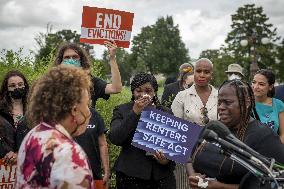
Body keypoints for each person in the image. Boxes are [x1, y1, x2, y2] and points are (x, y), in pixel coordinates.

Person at [188, 79, 284, 189]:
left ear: (247, 102)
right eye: (219, 102)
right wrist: (192, 174)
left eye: (228, 102)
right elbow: (189, 157)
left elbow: (277, 181)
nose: (221, 107)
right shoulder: (214, 128)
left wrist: (221, 187)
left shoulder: (265, 137)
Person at [16, 65, 94, 188]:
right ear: (74, 110)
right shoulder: (68, 152)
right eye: (86, 103)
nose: (88, 110)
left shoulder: (33, 135)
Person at [108, 73, 176, 189]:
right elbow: (115, 138)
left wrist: (166, 161)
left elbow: (174, 146)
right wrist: (135, 112)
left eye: (148, 90)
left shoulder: (166, 113)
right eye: (138, 91)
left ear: (154, 92)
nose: (143, 94)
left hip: (161, 177)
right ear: (133, 92)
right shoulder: (122, 110)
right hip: (130, 177)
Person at [54, 41, 122, 107]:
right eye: (67, 57)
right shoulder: (53, 83)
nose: (71, 60)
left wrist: (112, 58)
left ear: (81, 60)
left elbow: (116, 88)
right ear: (61, 61)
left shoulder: (91, 81)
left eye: (75, 57)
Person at [172, 58, 218, 126]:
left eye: (206, 72)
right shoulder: (181, 97)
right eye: (198, 71)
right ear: (194, 73)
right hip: (189, 136)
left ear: (212, 75)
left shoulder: (220, 96)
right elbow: (175, 125)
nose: (202, 75)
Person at [75, 107, 110, 188]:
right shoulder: (64, 115)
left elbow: (102, 144)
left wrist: (106, 171)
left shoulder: (95, 115)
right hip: (72, 175)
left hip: (95, 173)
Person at [0, 70, 29, 165]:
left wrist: (19, 154)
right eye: (12, 86)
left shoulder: (34, 110)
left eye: (20, 84)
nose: (17, 87)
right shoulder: (1, 111)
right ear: (6, 89)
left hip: (28, 165)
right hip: (5, 166)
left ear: (25, 86)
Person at [252, 69, 284, 143]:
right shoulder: (246, 105)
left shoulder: (279, 105)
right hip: (251, 150)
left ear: (270, 87)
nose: (255, 87)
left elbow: (283, 135)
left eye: (261, 84)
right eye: (254, 82)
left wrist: (276, 149)